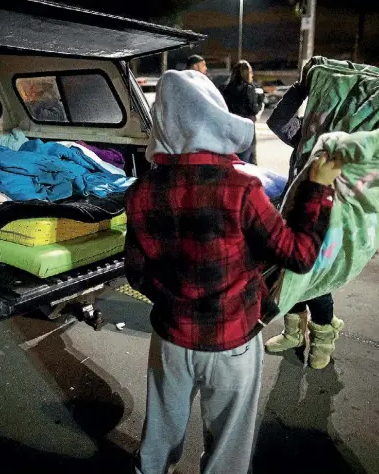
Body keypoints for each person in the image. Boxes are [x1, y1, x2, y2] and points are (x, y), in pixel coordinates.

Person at [126, 69, 341, 474]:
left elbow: (137, 273)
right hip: (232, 340)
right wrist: (317, 189)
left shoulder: (141, 191)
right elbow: (298, 254)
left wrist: (177, 299)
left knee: (158, 439)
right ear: (214, 116)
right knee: (227, 447)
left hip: (171, 337)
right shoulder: (241, 187)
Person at [264, 77, 344, 370]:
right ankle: (294, 333)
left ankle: (324, 338)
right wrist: (300, 88)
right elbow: (278, 121)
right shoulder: (306, 136)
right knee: (288, 272)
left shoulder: (346, 142)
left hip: (328, 218)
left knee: (315, 280)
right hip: (293, 211)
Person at [221, 60, 263, 165]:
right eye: (250, 72)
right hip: (247, 127)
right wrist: (260, 100)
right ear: (245, 73)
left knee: (235, 158)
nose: (252, 75)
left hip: (232, 126)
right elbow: (254, 109)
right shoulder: (249, 88)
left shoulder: (226, 88)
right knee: (249, 159)